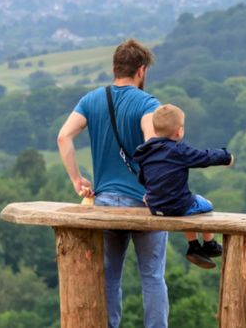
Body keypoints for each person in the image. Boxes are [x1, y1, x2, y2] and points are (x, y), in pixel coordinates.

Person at [57, 39, 167, 328]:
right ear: (141, 70)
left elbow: (63, 137)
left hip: (105, 204)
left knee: (108, 276)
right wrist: (155, 187)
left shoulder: (92, 100)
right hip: (144, 205)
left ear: (115, 68)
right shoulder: (147, 104)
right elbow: (153, 144)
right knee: (152, 276)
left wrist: (76, 178)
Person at [133, 104, 235, 269]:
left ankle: (194, 245)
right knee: (205, 204)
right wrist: (226, 156)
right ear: (179, 131)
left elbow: (143, 177)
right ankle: (209, 244)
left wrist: (150, 193)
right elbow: (204, 157)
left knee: (187, 202)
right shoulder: (178, 151)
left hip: (155, 206)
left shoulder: (146, 151)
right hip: (177, 206)